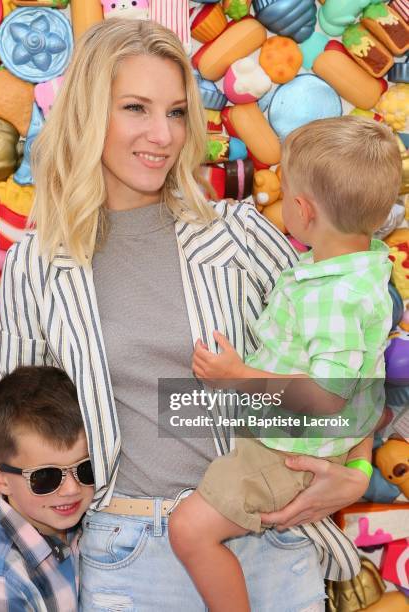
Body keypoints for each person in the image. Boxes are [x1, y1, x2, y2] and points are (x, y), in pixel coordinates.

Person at [0, 18, 371, 611]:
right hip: (129, 555)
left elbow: (354, 350)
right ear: (91, 113)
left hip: (266, 543)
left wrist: (357, 466)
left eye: (174, 112)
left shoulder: (242, 235)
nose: (161, 134)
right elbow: (14, 436)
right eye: (136, 108)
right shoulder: (35, 267)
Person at [168, 116, 402, 611]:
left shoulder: (334, 296)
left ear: (301, 208)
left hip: (284, 456)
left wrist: (237, 376)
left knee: (189, 531)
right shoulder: (360, 271)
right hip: (290, 441)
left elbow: (326, 395)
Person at [0, 366, 95, 611]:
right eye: (46, 477)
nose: (72, 488)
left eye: (85, 468)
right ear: (1, 479)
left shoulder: (80, 524)